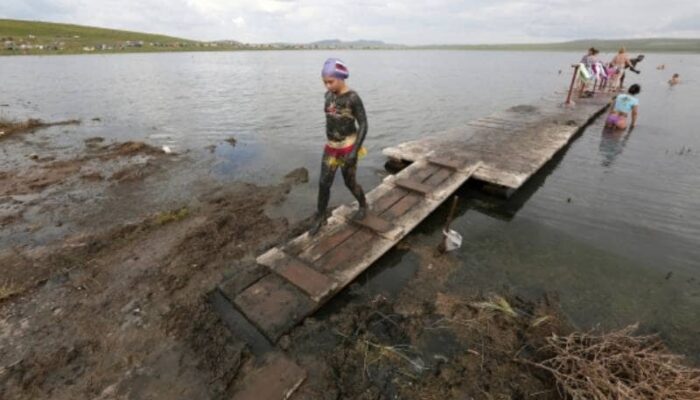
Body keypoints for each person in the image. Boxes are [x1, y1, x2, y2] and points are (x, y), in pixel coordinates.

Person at [311, 58, 369, 235]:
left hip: (347, 147)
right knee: (323, 183)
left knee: (349, 182)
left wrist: (354, 150)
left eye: (331, 81)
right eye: (324, 82)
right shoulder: (328, 96)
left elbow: (364, 124)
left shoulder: (353, 98)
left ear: (341, 78)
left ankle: (363, 204)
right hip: (331, 147)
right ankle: (320, 217)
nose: (327, 86)